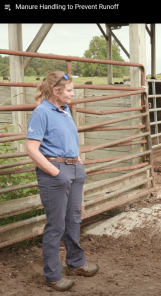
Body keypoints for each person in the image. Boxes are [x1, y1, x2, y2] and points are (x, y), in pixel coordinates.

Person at [25, 71, 99, 291]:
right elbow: (31, 149)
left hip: (73, 169)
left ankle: (75, 264)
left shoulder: (65, 110)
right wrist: (54, 172)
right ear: (55, 92)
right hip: (55, 172)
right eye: (69, 90)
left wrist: (78, 162)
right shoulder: (41, 113)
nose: (73, 94)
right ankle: (52, 275)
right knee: (56, 225)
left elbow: (67, 139)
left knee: (74, 219)